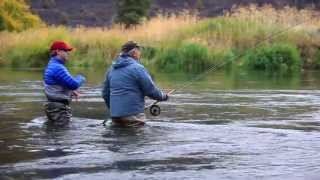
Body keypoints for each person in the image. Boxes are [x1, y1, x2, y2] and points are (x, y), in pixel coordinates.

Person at [102, 41, 169, 127]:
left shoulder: (111, 69)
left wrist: (115, 110)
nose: (140, 53)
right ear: (134, 53)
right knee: (138, 138)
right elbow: (150, 90)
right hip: (134, 116)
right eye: (139, 50)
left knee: (118, 138)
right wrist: (163, 96)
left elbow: (105, 94)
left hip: (115, 117)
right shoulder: (138, 68)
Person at [43, 40, 86, 126]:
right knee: (63, 134)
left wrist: (70, 91)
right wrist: (81, 77)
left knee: (56, 133)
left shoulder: (53, 65)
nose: (68, 53)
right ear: (58, 51)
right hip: (58, 108)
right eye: (65, 51)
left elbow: (55, 85)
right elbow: (74, 84)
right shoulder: (57, 67)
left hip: (54, 106)